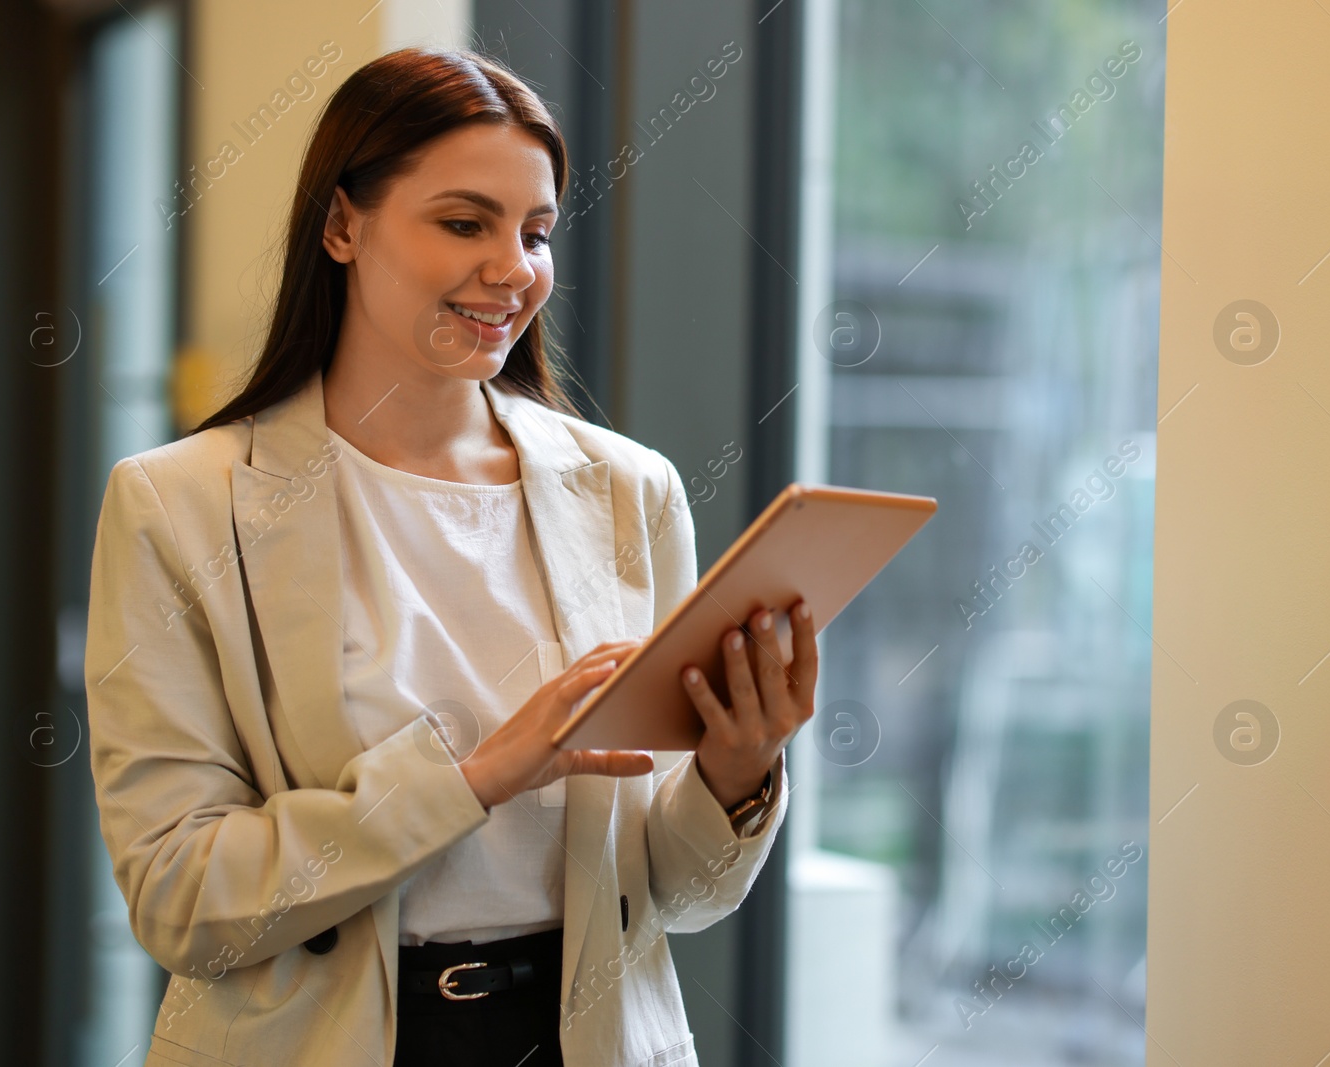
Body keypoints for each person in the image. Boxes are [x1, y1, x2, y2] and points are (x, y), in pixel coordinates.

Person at [85, 47, 816, 1067]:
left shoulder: (627, 489)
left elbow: (674, 896)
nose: (513, 267)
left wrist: (736, 771)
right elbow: (183, 898)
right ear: (341, 225)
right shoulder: (179, 503)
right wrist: (472, 779)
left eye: (537, 231)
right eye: (464, 222)